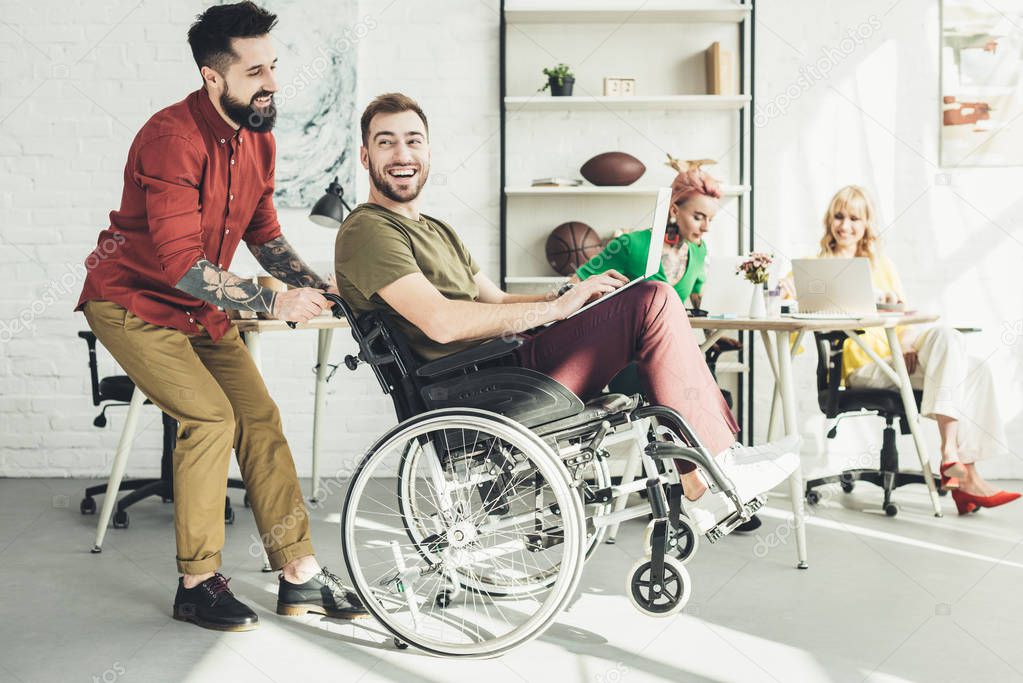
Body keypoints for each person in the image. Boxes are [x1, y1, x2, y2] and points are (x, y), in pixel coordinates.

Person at [335, 92, 801, 535]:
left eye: (413, 140)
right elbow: (441, 322)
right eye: (386, 142)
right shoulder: (369, 231)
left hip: (504, 365)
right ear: (365, 157)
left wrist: (572, 294)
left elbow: (494, 301)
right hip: (483, 385)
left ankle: (706, 471)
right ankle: (712, 471)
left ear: (429, 153)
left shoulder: (436, 229)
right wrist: (555, 309)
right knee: (654, 298)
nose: (402, 153)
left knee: (645, 307)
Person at [76, 2, 366, 631]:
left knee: (259, 418)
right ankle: (197, 584)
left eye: (274, 66)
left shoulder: (259, 135)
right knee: (210, 417)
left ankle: (299, 576)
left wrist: (320, 288)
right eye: (256, 70)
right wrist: (272, 302)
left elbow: (265, 237)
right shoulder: (170, 138)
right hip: (132, 303)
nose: (273, 82)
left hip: (199, 311)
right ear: (214, 78)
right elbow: (182, 263)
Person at [793, 185, 1018, 515]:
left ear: (866, 223)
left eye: (854, 218)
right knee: (959, 363)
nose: (845, 225)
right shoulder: (817, 266)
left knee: (960, 352)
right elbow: (792, 302)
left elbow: (902, 319)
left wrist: (908, 342)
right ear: (830, 220)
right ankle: (962, 472)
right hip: (863, 367)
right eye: (839, 216)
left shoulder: (881, 265)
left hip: (895, 359)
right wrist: (785, 287)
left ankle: (954, 458)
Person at [569, 164, 761, 532]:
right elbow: (576, 285)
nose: (704, 226)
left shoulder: (699, 252)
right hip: (624, 362)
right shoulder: (633, 243)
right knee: (691, 390)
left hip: (668, 353)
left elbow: (697, 296)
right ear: (674, 209)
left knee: (700, 385)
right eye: (698, 216)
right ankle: (709, 485)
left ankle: (717, 480)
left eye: (710, 219)